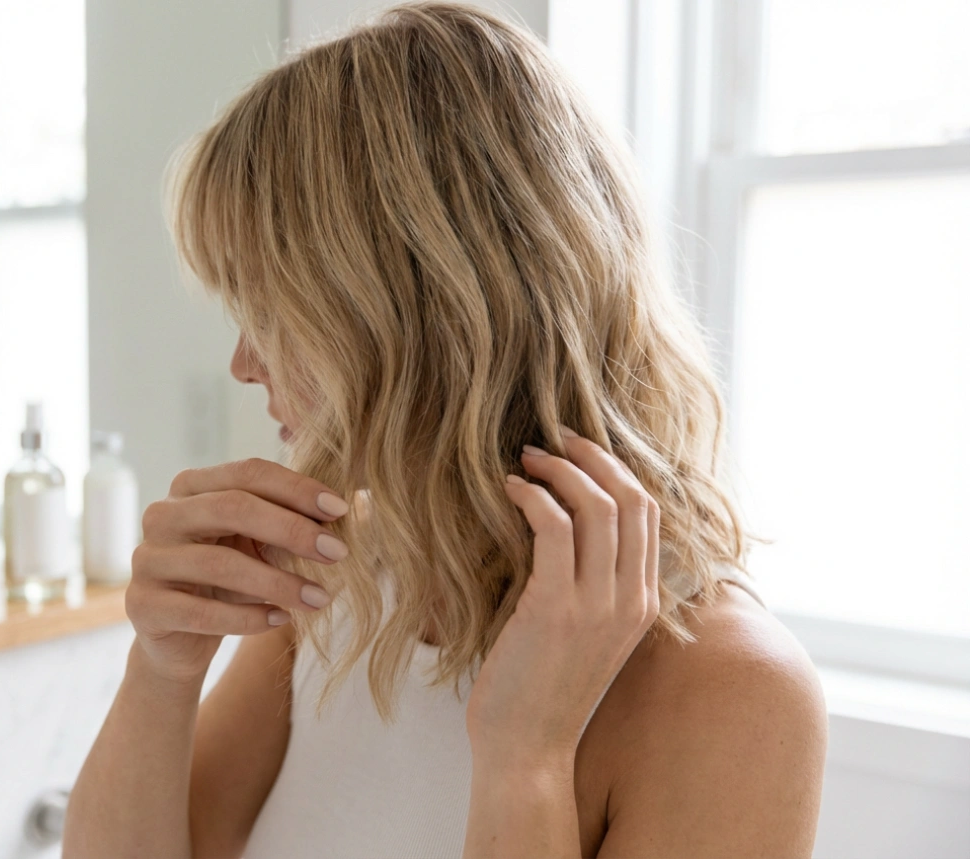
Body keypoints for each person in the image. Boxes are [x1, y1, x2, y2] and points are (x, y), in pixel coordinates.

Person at [64, 3, 827, 857]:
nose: (246, 363)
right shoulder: (339, 577)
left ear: (415, 318)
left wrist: (526, 760)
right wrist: (161, 670)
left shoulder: (734, 687)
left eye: (275, 312)